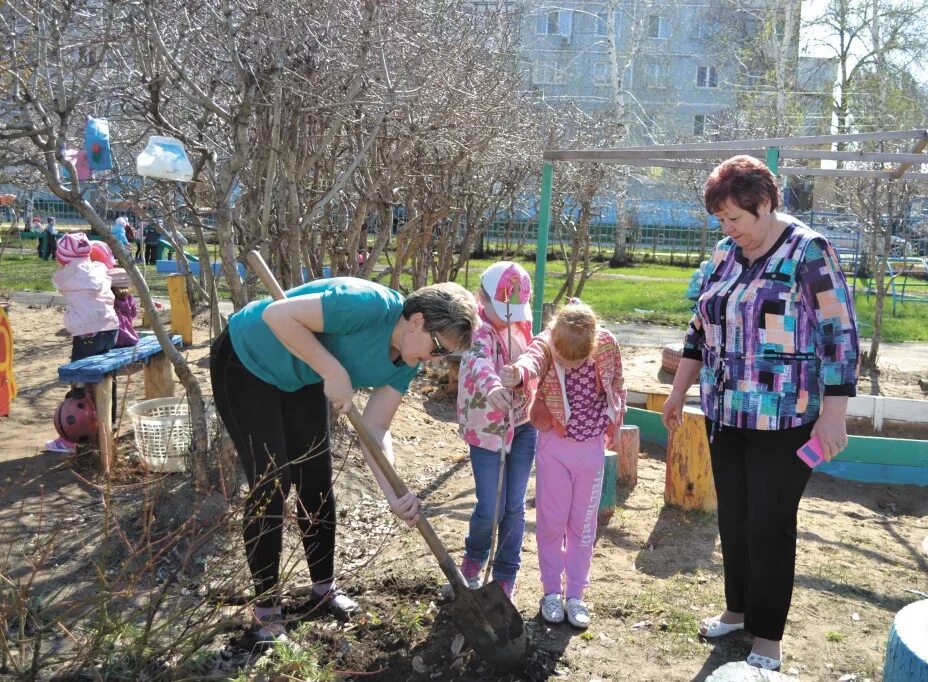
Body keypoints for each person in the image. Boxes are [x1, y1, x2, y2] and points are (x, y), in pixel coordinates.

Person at [659, 155, 859, 671]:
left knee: (770, 524)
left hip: (786, 420)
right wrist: (679, 391)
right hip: (726, 413)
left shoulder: (808, 251)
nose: (727, 230)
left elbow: (839, 335)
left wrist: (833, 414)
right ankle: (738, 609)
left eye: (736, 219)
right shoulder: (725, 253)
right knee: (735, 518)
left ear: (766, 204)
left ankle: (767, 637)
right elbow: (699, 327)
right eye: (721, 220)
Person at [209, 276, 478, 647]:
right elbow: (277, 315)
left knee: (316, 478)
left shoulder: (406, 362)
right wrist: (334, 371)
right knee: (274, 482)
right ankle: (266, 611)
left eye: (444, 355)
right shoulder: (364, 305)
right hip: (248, 357)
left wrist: (393, 492)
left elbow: (376, 427)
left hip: (301, 373)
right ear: (417, 321)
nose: (435, 360)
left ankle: (323, 588)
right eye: (438, 348)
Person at [499, 300, 624, 630]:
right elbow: (532, 358)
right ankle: (552, 591)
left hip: (592, 450)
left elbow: (618, 385)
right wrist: (518, 373)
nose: (567, 366)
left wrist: (616, 422)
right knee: (551, 522)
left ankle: (576, 595)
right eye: (563, 359)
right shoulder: (547, 341)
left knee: (583, 526)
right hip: (554, 446)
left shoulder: (607, 345)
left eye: (576, 361)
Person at [454, 262, 538, 600]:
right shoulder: (478, 329)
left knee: (514, 506)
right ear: (481, 298)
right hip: (487, 430)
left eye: (513, 311)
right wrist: (492, 388)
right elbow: (479, 361)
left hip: (523, 424)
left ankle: (506, 572)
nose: (507, 318)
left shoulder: (522, 323)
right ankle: (474, 559)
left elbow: (535, 356)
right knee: (490, 505)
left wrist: (521, 373)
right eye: (500, 310)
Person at [46, 233, 119, 453]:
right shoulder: (100, 270)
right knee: (106, 378)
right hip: (110, 331)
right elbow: (104, 265)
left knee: (79, 382)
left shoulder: (65, 276)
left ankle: (72, 438)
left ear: (62, 258)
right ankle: (109, 424)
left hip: (87, 334)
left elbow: (59, 276)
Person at [108, 268, 139, 347]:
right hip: (129, 335)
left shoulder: (109, 297)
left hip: (113, 336)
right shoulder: (129, 297)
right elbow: (134, 313)